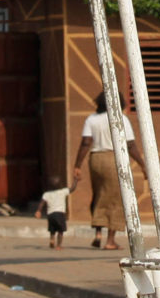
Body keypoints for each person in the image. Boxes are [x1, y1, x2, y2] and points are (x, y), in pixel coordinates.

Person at [70, 96, 132, 250]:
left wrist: (77, 165)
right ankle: (110, 241)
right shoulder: (121, 119)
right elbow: (131, 145)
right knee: (116, 199)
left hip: (95, 159)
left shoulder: (92, 119)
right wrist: (144, 165)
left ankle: (98, 234)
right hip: (114, 158)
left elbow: (85, 143)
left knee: (99, 194)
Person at [41, 182, 69, 249]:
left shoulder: (47, 194)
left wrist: (38, 211)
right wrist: (76, 180)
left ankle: (52, 240)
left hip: (50, 215)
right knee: (60, 231)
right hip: (60, 214)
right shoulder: (62, 191)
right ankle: (59, 245)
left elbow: (41, 203)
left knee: (52, 229)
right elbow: (72, 188)